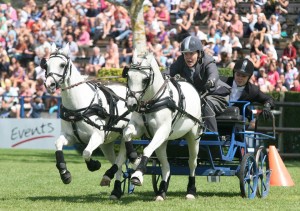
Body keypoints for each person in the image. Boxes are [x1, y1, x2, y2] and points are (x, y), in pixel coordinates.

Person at [168, 36, 231, 132]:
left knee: (206, 105)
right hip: (198, 96)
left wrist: (210, 81)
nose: (188, 57)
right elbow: (169, 71)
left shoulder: (208, 60)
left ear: (199, 53)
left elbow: (213, 73)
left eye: (191, 54)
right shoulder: (181, 60)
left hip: (216, 94)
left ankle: (212, 138)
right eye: (186, 54)